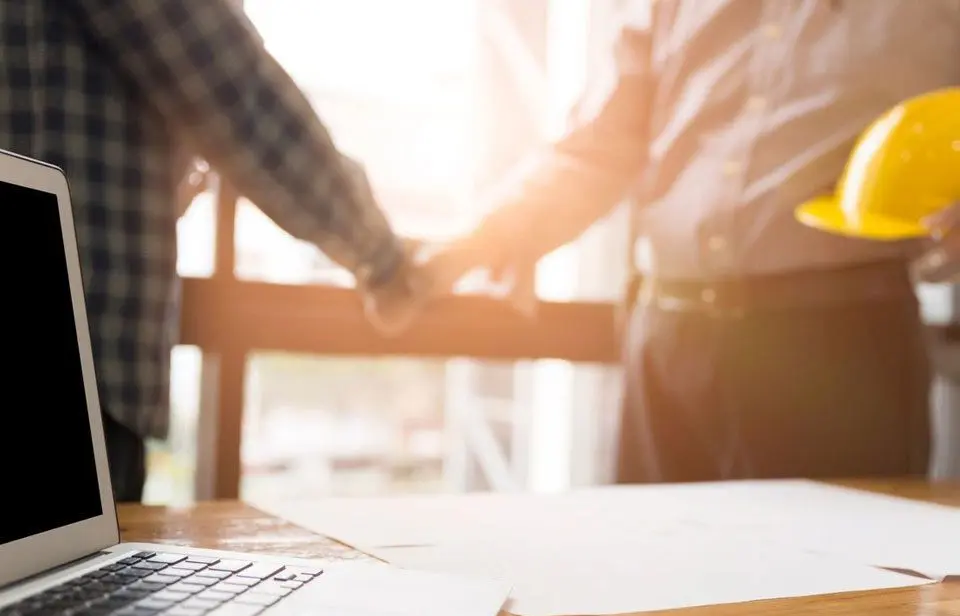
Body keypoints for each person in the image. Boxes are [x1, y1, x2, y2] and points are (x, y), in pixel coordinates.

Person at [431, 1, 960, 483]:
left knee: (843, 582)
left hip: (843, 345)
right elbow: (597, 148)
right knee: (652, 578)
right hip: (665, 340)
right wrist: (479, 242)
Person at [0, 0, 431, 502]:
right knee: (70, 574)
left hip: (75, 363)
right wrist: (380, 253)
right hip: (73, 367)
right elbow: (234, 90)